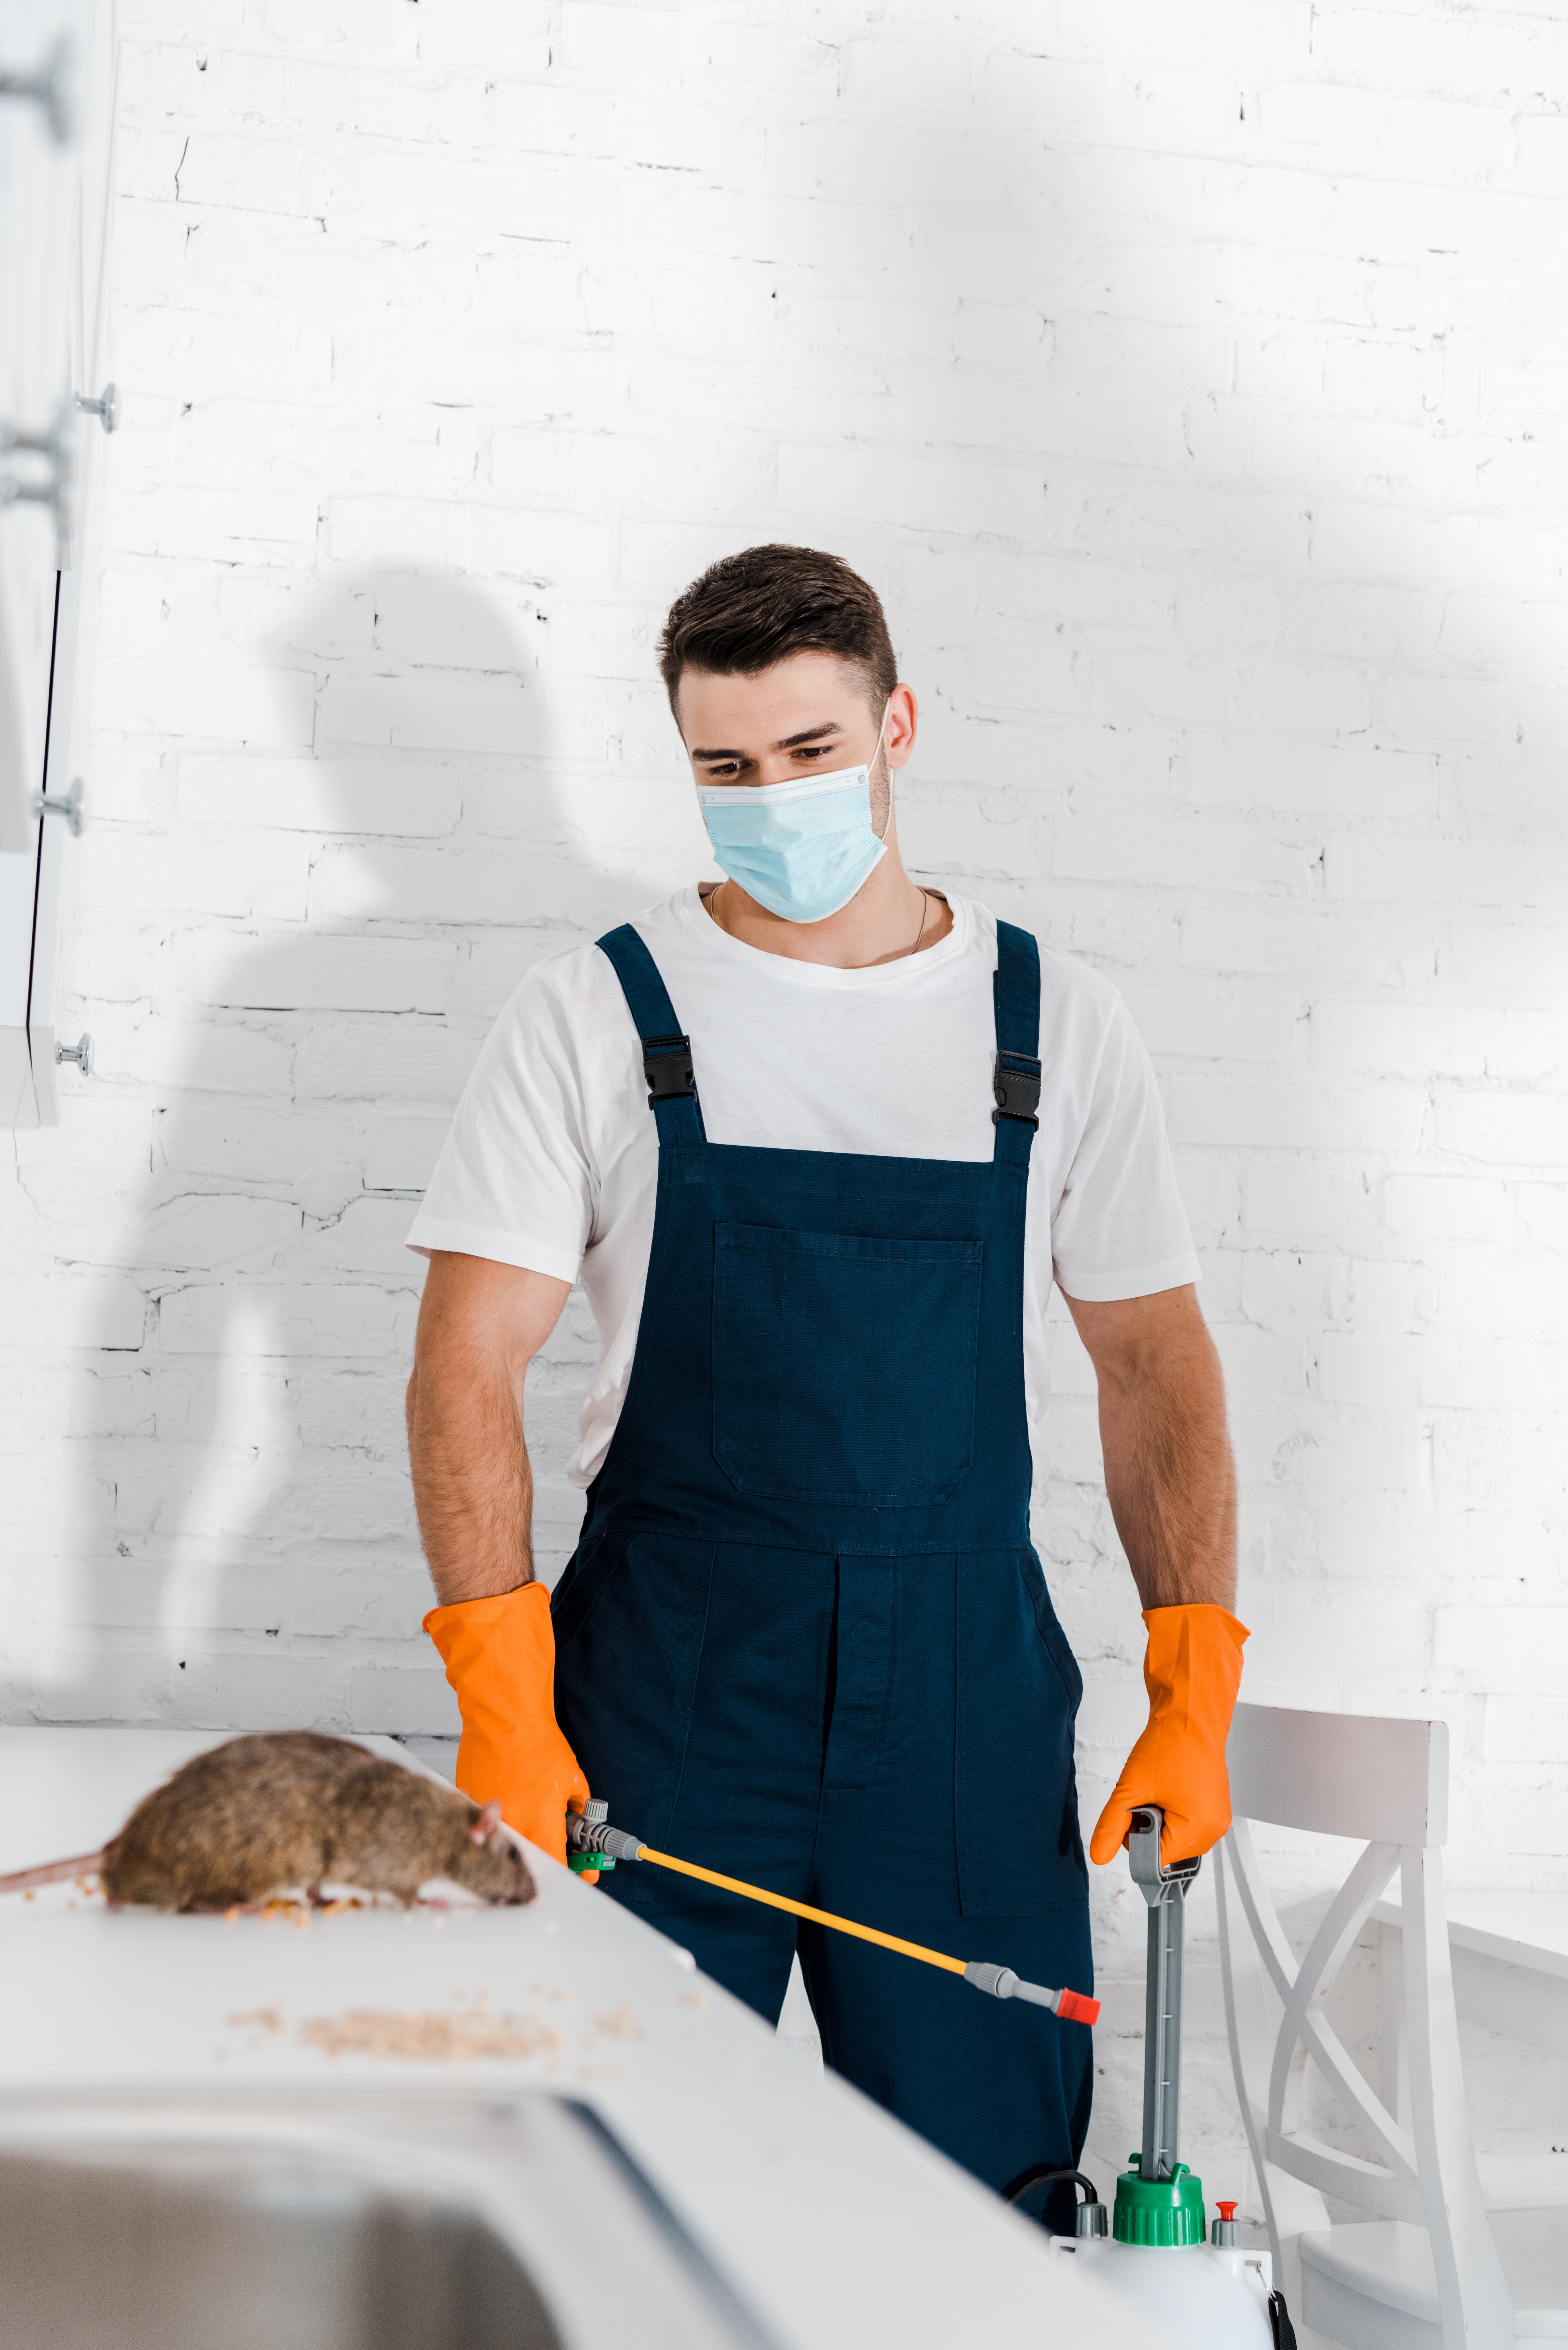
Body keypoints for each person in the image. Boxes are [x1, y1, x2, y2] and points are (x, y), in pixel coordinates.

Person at [405, 544, 1245, 2201]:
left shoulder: (1050, 1021)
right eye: (725, 768)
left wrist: (1192, 1676)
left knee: (990, 2199)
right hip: (669, 1691)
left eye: (809, 751)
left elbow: (1156, 1365)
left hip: (958, 1712)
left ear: (897, 723)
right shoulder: (594, 1014)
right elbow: (462, 1371)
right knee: (597, 2175)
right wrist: (502, 1699)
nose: (770, 796)